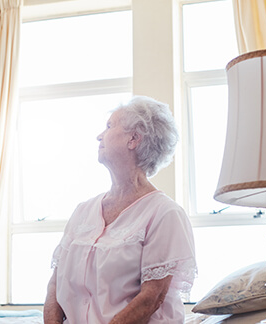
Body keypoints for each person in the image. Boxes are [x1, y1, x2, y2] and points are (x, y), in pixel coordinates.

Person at [43, 96, 197, 323]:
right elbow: (55, 285)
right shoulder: (83, 211)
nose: (99, 136)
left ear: (133, 138)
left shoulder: (165, 214)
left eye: (109, 126)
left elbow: (152, 298)